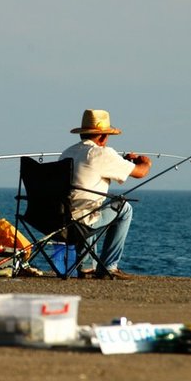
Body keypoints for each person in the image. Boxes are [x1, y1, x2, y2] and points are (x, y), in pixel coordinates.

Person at [59, 109, 152, 280]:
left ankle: (86, 267)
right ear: (102, 137)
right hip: (82, 221)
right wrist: (145, 161)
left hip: (57, 219)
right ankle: (109, 266)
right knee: (124, 208)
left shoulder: (67, 153)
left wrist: (121, 161)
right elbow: (140, 172)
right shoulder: (103, 153)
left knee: (88, 205)